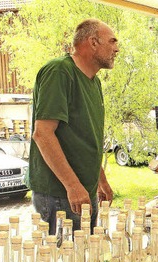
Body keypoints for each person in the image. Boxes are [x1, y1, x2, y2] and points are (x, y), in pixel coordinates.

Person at [29, 18, 118, 235]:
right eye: (112, 41)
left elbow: (84, 139)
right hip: (60, 194)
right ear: (93, 42)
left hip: (83, 191)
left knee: (86, 261)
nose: (117, 49)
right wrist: (72, 185)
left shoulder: (94, 82)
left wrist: (101, 180)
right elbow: (42, 134)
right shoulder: (59, 72)